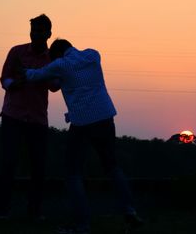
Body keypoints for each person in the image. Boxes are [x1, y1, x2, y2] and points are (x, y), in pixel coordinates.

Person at [24, 39, 143, 234]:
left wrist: (23, 71)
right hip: (105, 117)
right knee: (112, 166)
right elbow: (79, 81)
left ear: (57, 55)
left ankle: (82, 224)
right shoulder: (93, 55)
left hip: (82, 122)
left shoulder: (60, 65)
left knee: (73, 173)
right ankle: (130, 211)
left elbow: (35, 76)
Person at [0, 14, 58, 221]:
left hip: (37, 119)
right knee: (8, 163)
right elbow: (4, 78)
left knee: (38, 167)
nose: (36, 35)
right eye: (34, 31)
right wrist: (15, 83)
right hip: (13, 115)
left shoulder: (53, 58)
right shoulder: (16, 51)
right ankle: (2, 212)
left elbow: (55, 86)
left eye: (40, 31)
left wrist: (34, 75)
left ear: (49, 33)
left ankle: (34, 213)